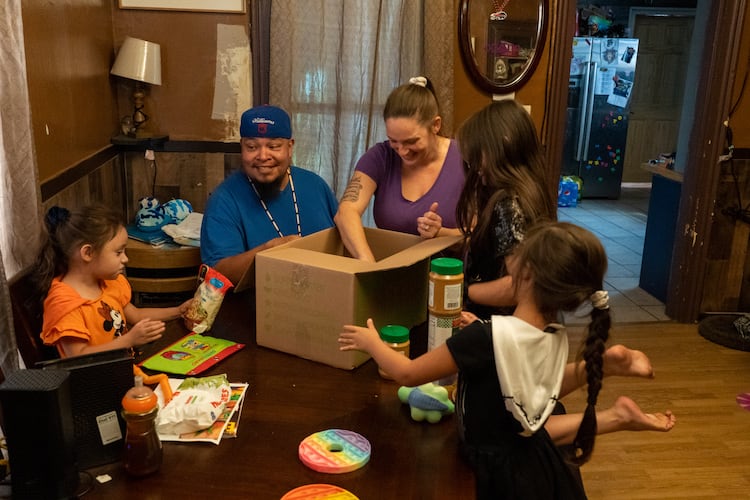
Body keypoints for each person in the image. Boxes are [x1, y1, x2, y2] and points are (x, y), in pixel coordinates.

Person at [339, 221, 675, 499]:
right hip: (534, 464)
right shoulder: (551, 333)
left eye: (518, 251)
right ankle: (605, 375)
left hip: (496, 471)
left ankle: (611, 393)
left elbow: (409, 373)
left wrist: (372, 343)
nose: (510, 255)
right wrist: (480, 329)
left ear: (526, 274)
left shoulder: (486, 340)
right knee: (534, 422)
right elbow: (540, 385)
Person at [200, 105, 338, 285]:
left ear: (290, 147)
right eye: (252, 147)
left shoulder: (315, 185)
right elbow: (218, 271)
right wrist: (268, 252)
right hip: (262, 306)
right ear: (242, 147)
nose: (263, 156)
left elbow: (341, 243)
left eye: (273, 146)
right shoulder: (224, 199)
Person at [334, 77, 465, 262]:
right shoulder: (380, 156)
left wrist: (441, 233)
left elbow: (480, 236)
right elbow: (346, 212)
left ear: (436, 125)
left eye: (411, 141)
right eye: (394, 141)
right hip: (390, 276)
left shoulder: (464, 159)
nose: (402, 151)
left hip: (448, 279)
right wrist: (368, 263)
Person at [35, 205, 192, 358]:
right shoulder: (64, 304)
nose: (125, 259)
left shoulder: (108, 283)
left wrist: (178, 311)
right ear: (88, 253)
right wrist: (128, 340)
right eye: (118, 252)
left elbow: (136, 315)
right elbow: (77, 356)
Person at [455, 99, 557, 322]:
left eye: (477, 155)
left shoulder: (509, 205)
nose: (474, 166)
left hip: (499, 329)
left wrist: (462, 290)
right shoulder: (534, 191)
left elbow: (521, 284)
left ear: (503, 146)